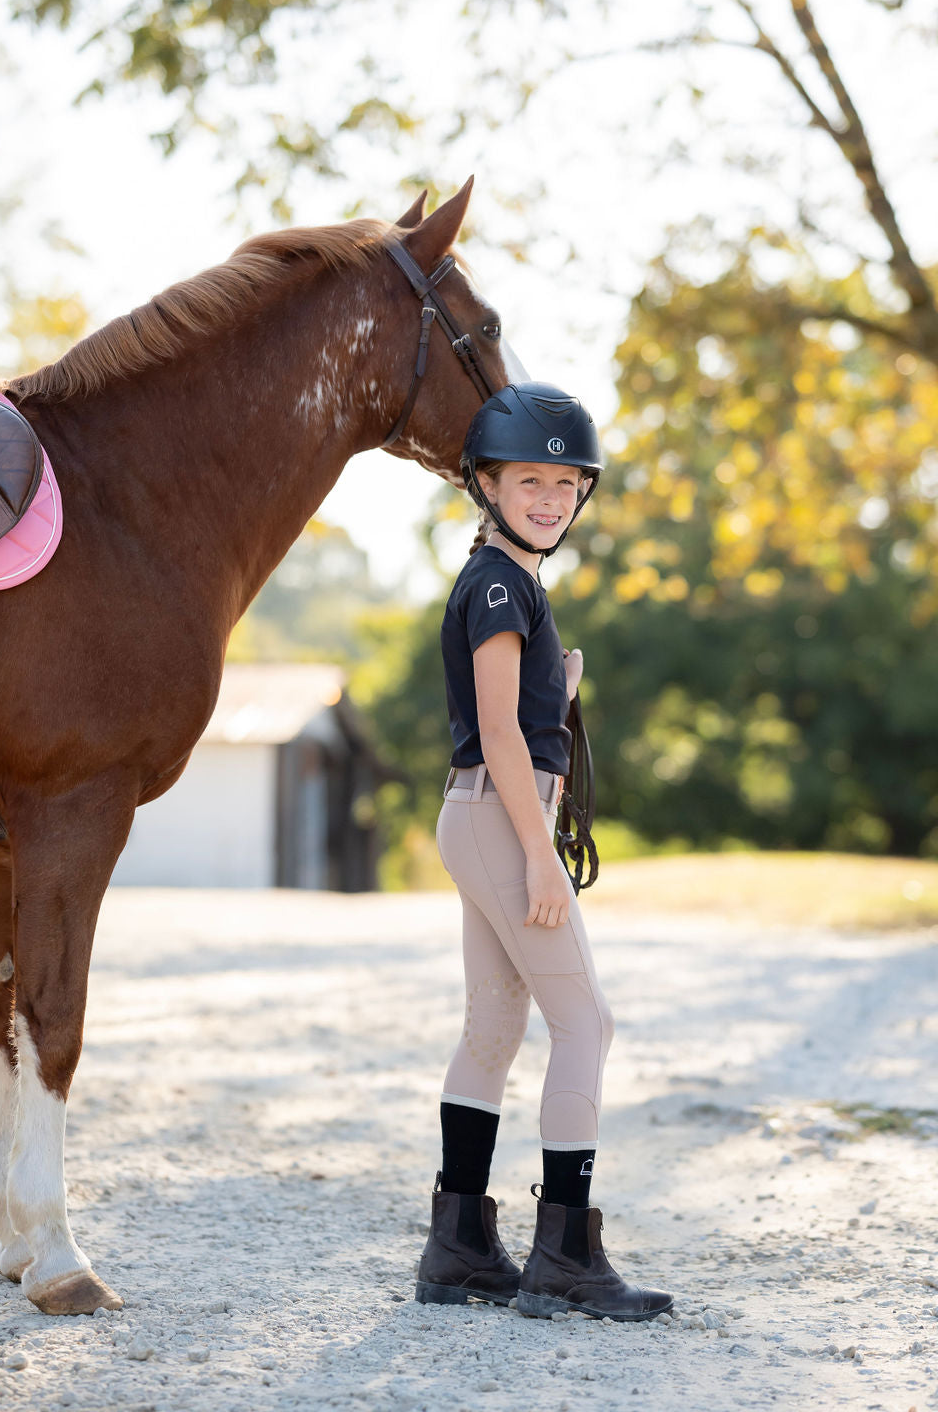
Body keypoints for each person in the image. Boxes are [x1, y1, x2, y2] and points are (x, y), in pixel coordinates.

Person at [415, 382, 673, 1322]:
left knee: (495, 1024)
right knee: (585, 1022)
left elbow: (517, 710)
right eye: (530, 480)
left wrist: (558, 682)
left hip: (481, 814)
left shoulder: (505, 581)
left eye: (567, 485)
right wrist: (538, 854)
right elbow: (498, 728)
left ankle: (458, 1246)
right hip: (501, 818)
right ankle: (564, 1249)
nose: (551, 499)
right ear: (485, 483)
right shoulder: (499, 584)